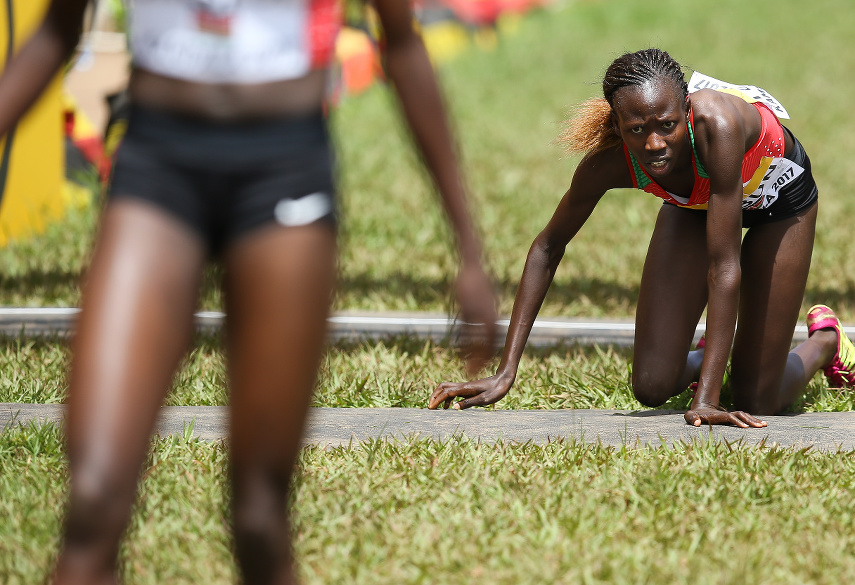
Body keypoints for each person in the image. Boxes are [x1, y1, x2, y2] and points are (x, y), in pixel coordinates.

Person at [0, 1, 497, 583]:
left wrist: (467, 249)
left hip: (282, 172)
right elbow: (55, 33)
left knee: (258, 517)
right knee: (92, 499)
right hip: (157, 168)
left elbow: (404, 46)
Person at [430, 48, 855, 427]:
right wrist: (505, 371)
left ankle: (826, 342)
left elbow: (725, 266)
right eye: (637, 130)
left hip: (780, 206)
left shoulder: (718, 126)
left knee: (758, 397)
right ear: (617, 125)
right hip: (696, 206)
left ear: (687, 111)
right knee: (652, 386)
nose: (655, 144)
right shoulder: (608, 163)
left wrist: (707, 402)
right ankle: (711, 352)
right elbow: (548, 247)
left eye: (667, 125)